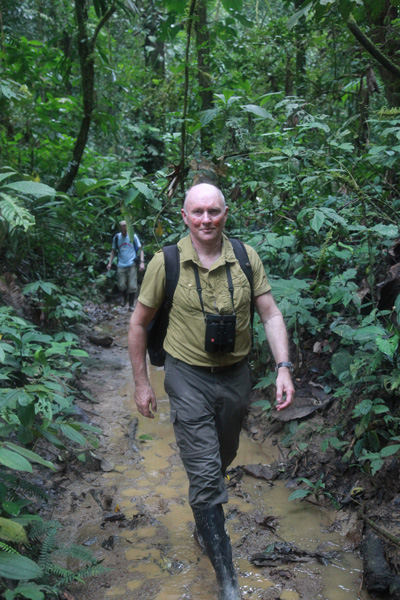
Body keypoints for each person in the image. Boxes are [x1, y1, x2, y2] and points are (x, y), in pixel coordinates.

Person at [128, 183, 295, 600]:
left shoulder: (245, 257)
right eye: (198, 212)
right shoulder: (165, 262)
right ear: (184, 216)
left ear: (225, 214)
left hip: (236, 376)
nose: (206, 220)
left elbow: (270, 314)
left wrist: (283, 367)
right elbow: (137, 325)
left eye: (214, 212)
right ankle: (228, 585)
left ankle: (204, 519)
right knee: (205, 477)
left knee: (221, 458)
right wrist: (143, 383)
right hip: (187, 378)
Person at [107, 220, 145, 310]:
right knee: (121, 286)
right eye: (123, 230)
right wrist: (109, 263)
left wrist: (142, 262)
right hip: (121, 264)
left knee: (132, 286)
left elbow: (140, 249)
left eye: (126, 230)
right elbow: (113, 251)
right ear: (120, 229)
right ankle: (125, 298)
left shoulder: (133, 236)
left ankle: (131, 305)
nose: (125, 232)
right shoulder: (116, 238)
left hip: (131, 264)